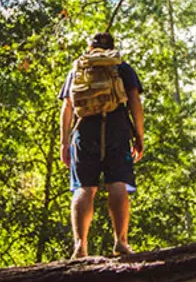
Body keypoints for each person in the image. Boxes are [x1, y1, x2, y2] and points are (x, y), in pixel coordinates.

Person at [58, 32, 145, 259]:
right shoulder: (122, 68)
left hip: (84, 131)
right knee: (117, 183)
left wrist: (64, 142)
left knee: (84, 187)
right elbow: (135, 102)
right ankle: (121, 242)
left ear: (90, 47)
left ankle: (80, 246)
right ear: (112, 48)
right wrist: (139, 135)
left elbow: (67, 108)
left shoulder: (78, 69)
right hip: (116, 129)